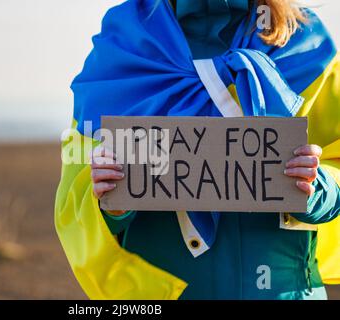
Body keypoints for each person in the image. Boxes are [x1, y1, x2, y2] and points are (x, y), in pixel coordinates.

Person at [56, 0, 340, 299]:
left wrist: (318, 189)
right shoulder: (126, 37)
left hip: (284, 292)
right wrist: (111, 203)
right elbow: (79, 188)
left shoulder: (304, 37)